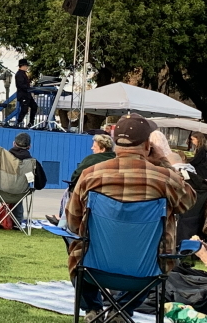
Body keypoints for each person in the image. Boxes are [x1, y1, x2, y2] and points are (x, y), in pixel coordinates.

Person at [66, 113, 196, 323]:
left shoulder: (90, 175)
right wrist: (163, 161)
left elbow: (73, 221)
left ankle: (93, 309)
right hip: (147, 271)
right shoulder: (165, 178)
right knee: (156, 253)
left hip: (93, 267)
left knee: (76, 245)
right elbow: (189, 201)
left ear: (115, 143)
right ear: (147, 145)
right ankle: (123, 310)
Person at [46, 134, 116, 226]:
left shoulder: (92, 159)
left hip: (90, 195)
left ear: (102, 149)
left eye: (94, 146)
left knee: (69, 191)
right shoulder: (117, 159)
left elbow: (76, 176)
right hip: (111, 196)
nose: (91, 148)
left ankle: (64, 220)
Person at [0, 132, 47, 227]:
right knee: (19, 189)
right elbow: (40, 184)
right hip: (20, 194)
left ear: (14, 143)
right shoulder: (33, 162)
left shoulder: (2, 158)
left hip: (0, 192)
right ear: (29, 147)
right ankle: (17, 222)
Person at [15, 59, 38, 128]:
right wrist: (29, 87)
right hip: (23, 95)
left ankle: (31, 122)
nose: (27, 67)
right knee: (24, 109)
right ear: (22, 66)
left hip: (27, 95)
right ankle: (18, 122)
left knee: (34, 106)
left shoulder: (23, 74)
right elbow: (20, 85)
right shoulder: (19, 74)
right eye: (26, 66)